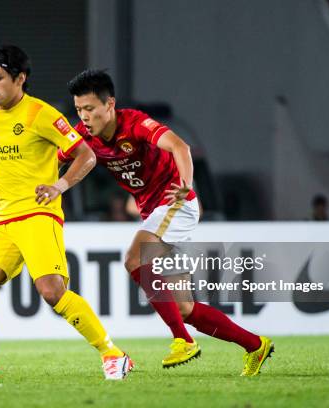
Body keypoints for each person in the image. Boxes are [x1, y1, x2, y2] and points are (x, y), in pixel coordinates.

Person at [62, 69, 273, 376]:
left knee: (134, 258)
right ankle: (256, 345)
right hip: (154, 213)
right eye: (80, 110)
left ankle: (182, 341)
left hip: (176, 203)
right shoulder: (84, 134)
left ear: (110, 105)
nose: (85, 116)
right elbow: (57, 157)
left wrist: (186, 183)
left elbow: (180, 147)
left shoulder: (134, 123)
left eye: (90, 109)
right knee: (185, 308)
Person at [0, 46, 133, 380]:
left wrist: (59, 186)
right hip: (4, 220)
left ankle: (113, 354)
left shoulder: (41, 115)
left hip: (37, 216)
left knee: (51, 291)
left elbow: (85, 155)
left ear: (20, 78)